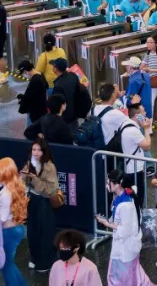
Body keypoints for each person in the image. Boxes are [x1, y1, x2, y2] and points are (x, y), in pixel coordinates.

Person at [98, 170, 150, 286]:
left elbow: (124, 230)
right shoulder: (126, 195)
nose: (106, 185)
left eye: (108, 183)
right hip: (127, 246)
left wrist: (106, 223)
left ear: (117, 184)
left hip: (125, 248)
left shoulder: (125, 205)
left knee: (122, 279)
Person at [21, 136, 58, 272]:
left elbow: (51, 190)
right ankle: (34, 257)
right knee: (32, 231)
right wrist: (23, 178)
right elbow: (23, 183)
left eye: (39, 150)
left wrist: (35, 179)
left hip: (44, 202)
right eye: (34, 149)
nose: (36, 153)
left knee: (45, 232)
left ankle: (45, 262)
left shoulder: (50, 167)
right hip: (32, 200)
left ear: (44, 151)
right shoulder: (29, 164)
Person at [16, 60, 48, 126]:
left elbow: (29, 96)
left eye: (23, 73)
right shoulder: (41, 75)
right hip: (43, 108)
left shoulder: (34, 80)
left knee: (32, 129)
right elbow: (46, 86)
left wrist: (20, 96)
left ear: (25, 71)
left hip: (36, 111)